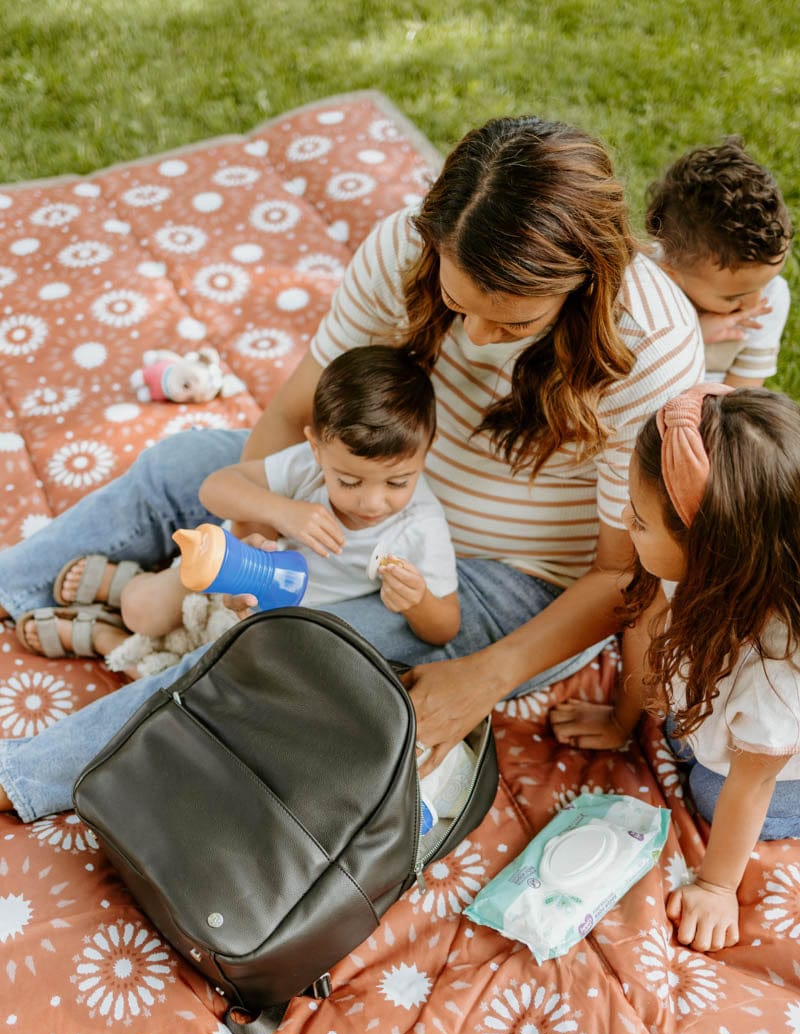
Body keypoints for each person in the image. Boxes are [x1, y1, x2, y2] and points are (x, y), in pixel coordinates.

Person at [0, 114, 704, 821]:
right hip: (362, 482)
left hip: (510, 580)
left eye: (514, 323)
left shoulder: (650, 348)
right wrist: (253, 530)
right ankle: (15, 582)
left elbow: (622, 574)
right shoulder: (404, 248)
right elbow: (292, 412)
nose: (479, 337)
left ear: (585, 281)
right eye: (457, 305)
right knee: (179, 464)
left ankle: (25, 776)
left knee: (279, 652)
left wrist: (486, 676)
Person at [18, 346, 460, 671]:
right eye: (348, 481)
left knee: (200, 682)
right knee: (143, 610)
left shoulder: (419, 526)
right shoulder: (306, 469)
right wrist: (282, 511)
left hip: (268, 624)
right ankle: (127, 592)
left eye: (398, 482)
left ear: (428, 451)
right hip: (225, 570)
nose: (372, 502)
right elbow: (215, 488)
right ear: (316, 447)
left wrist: (417, 600)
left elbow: (444, 628)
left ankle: (104, 637)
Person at [551, 385, 800, 954]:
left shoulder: (777, 674)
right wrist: (621, 720)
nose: (624, 520)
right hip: (710, 719)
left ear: (710, 548)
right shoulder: (691, 570)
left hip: (776, 770)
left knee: (710, 791)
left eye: (639, 521)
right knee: (677, 735)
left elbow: (753, 784)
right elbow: (646, 629)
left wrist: (716, 886)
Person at [645, 136, 792, 387]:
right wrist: (693, 335)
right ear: (671, 274)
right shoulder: (646, 284)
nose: (756, 302)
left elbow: (737, 397)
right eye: (733, 298)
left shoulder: (773, 296)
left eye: (765, 283)